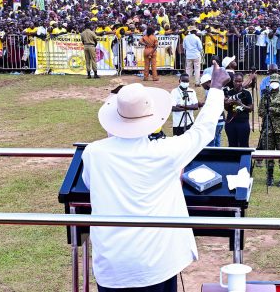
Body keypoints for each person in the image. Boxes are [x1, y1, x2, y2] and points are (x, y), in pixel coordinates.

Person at [82, 61, 229, 291]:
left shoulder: (93, 152)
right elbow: (203, 130)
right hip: (156, 264)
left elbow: (90, 184)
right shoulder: (164, 152)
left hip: (112, 267)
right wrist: (217, 88)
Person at [257, 73, 280, 187]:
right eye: (272, 82)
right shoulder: (265, 96)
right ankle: (270, 177)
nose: (274, 84)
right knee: (269, 155)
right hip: (268, 129)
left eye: (276, 82)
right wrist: (268, 109)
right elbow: (261, 112)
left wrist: (271, 109)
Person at [224, 72, 253, 147]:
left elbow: (251, 108)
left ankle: (244, 159)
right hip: (231, 122)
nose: (237, 83)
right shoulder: (229, 92)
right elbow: (226, 109)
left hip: (243, 123)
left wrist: (241, 105)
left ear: (242, 81)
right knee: (232, 145)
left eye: (239, 81)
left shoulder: (246, 93)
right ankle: (233, 159)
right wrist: (228, 102)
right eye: (236, 81)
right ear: (233, 81)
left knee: (244, 145)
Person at [199, 73, 225, 147]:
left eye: (203, 84)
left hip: (214, 120)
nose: (202, 86)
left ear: (207, 83)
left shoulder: (212, 91)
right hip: (221, 119)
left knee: (211, 140)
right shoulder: (218, 89)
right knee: (217, 139)